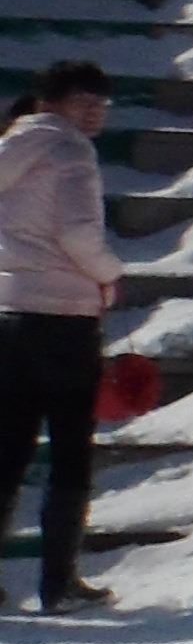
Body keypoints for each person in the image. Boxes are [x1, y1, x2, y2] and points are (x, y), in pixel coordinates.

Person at [0, 61, 125, 612]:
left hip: (8, 315)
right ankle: (60, 584)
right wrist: (109, 273)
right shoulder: (71, 151)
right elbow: (77, 232)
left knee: (7, 452)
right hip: (64, 321)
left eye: (102, 102)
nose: (95, 112)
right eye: (84, 100)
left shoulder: (10, 149)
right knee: (71, 452)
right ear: (50, 101)